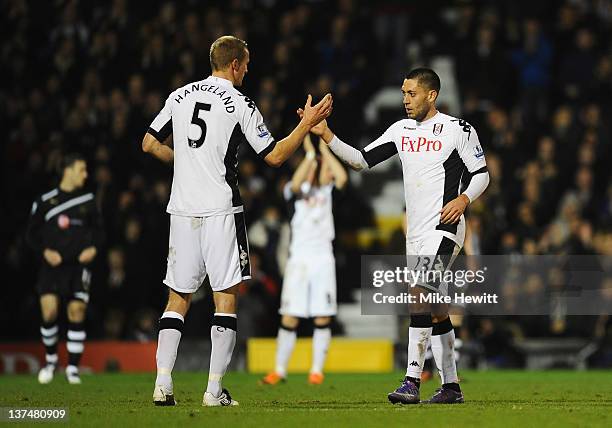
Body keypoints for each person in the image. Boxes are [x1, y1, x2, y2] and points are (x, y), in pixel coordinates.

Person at [141, 35, 332, 407]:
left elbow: (148, 143)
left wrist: (182, 163)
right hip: (221, 210)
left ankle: (162, 384)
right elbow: (274, 156)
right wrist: (306, 124)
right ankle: (213, 391)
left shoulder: (179, 95)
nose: (248, 69)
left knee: (177, 297)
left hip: (181, 209)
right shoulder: (240, 103)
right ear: (234, 65)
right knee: (225, 298)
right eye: (246, 63)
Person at [304, 68, 489, 404]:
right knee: (436, 309)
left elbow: (482, 174)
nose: (405, 100)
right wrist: (327, 134)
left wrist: (464, 199)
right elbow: (361, 161)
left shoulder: (457, 129)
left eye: (411, 93)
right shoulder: (400, 130)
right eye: (403, 93)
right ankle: (451, 387)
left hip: (445, 229)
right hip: (415, 232)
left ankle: (411, 380)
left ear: (431, 95)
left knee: (418, 292)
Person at [260, 134, 347, 386]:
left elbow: (341, 178)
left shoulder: (327, 192)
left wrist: (325, 152)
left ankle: (316, 371)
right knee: (289, 315)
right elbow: (297, 183)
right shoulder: (293, 192)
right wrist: (310, 155)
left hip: (322, 260)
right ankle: (279, 370)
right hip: (298, 260)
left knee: (322, 316)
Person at [26, 153, 103, 385]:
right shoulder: (45, 200)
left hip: (78, 267)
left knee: (76, 312)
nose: (85, 174)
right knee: (49, 312)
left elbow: (100, 232)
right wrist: (44, 251)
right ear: (67, 171)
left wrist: (94, 249)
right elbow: (30, 234)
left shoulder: (88, 200)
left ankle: (72, 369)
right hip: (52, 266)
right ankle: (50, 362)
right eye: (82, 169)